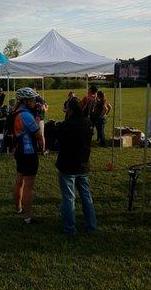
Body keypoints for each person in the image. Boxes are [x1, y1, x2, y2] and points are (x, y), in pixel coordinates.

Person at [56, 97, 97, 234]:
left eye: (67, 108)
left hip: (68, 164)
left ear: (71, 109)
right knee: (86, 196)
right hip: (83, 164)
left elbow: (59, 141)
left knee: (68, 197)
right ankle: (91, 226)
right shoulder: (87, 123)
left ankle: (70, 228)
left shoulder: (67, 124)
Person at [12, 87, 45, 224]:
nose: (34, 101)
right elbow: (38, 135)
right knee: (28, 187)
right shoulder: (26, 115)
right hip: (29, 152)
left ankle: (18, 208)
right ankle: (28, 216)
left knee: (19, 181)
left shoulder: (17, 112)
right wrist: (43, 148)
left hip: (20, 151)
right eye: (32, 99)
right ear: (25, 101)